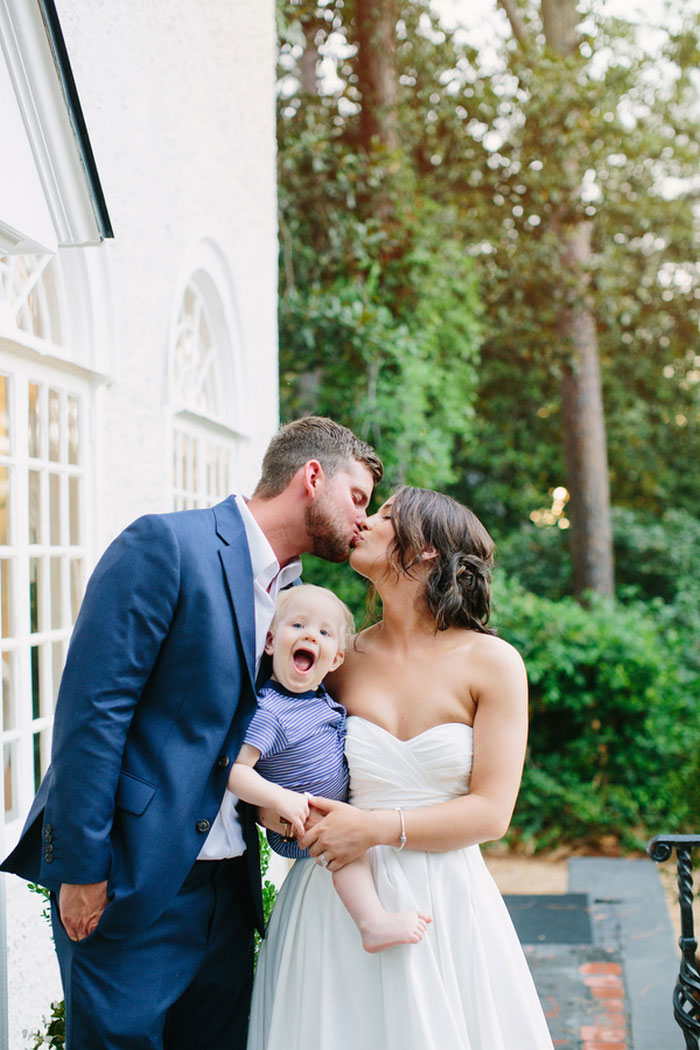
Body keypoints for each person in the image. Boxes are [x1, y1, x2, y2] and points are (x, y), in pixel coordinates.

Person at [1, 417, 382, 1050]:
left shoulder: (295, 604)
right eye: (358, 499)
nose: (362, 521)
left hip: (229, 896)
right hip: (131, 884)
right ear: (311, 477)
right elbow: (92, 715)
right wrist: (82, 867)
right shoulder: (167, 546)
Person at [248, 486, 555, 1050]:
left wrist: (375, 827)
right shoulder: (337, 661)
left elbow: (492, 813)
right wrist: (279, 810)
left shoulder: (493, 664)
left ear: (429, 550)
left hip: (446, 901)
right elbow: (282, 755)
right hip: (335, 897)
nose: (362, 520)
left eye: (386, 515)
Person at [229, 583, 432, 953]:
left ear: (336, 659)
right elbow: (235, 771)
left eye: (324, 632)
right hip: (301, 818)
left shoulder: (320, 697)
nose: (310, 634)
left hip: (334, 808)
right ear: (271, 642)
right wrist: (280, 800)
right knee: (348, 852)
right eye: (298, 625)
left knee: (354, 841)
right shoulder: (270, 711)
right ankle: (372, 923)